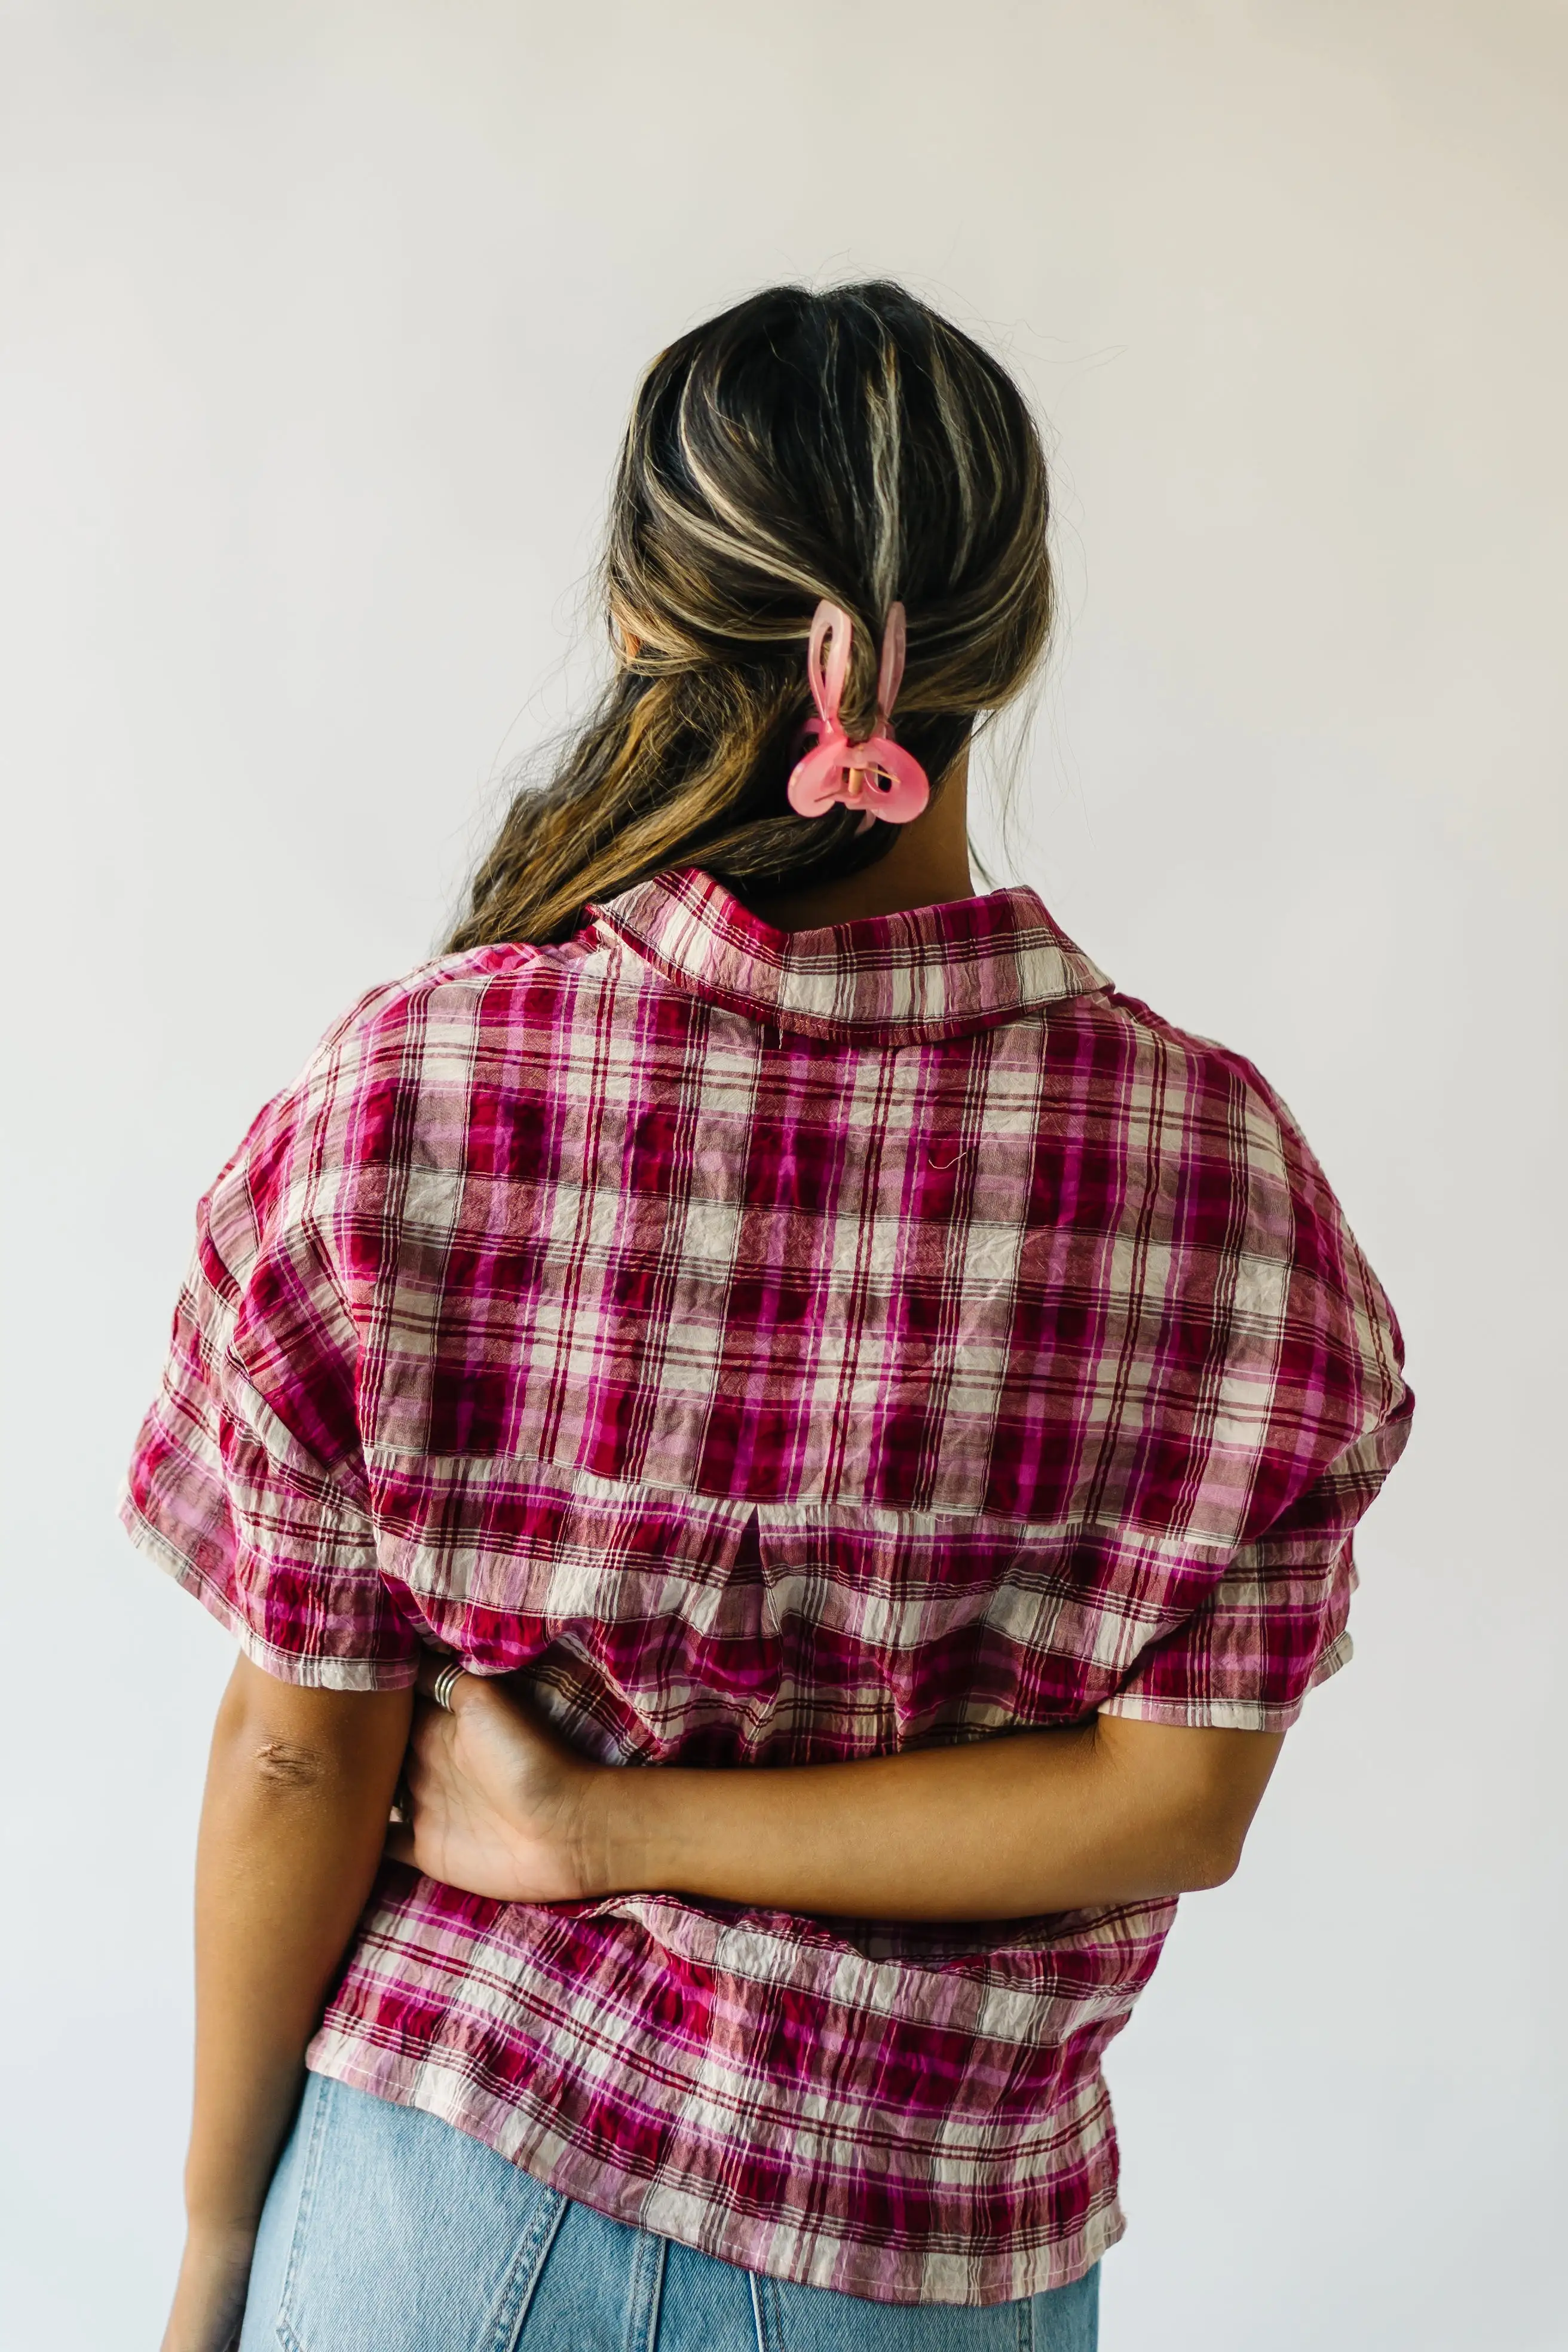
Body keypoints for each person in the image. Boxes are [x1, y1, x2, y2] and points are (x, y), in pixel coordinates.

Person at [122, 281, 1413, 2352]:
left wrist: (209, 2251)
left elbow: (297, 1756)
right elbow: (1181, 1799)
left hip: (444, 2204)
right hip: (925, 2259)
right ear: (1005, 644)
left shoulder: (415, 1106)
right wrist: (607, 1831)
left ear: (645, 626)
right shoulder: (1225, 1186)